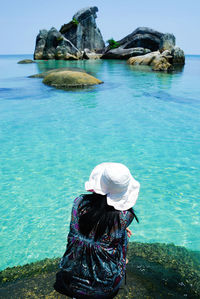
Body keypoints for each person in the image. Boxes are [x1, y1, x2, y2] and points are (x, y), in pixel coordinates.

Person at [54, 162, 140, 298]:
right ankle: (122, 264)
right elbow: (110, 216)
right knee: (123, 235)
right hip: (104, 290)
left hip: (68, 282)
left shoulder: (79, 202)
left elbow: (94, 220)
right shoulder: (125, 216)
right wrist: (121, 228)